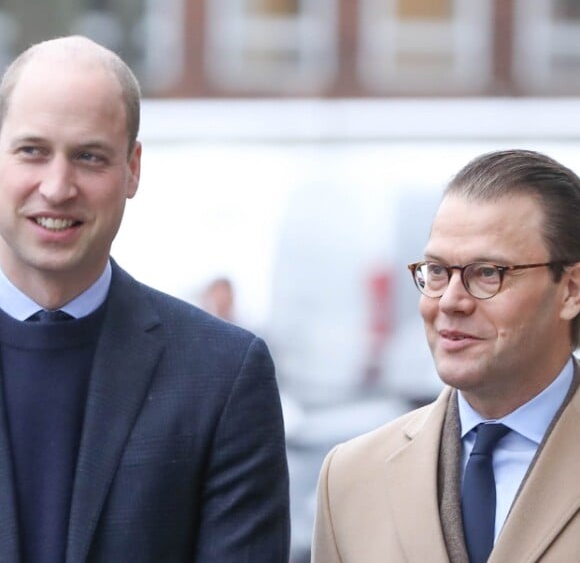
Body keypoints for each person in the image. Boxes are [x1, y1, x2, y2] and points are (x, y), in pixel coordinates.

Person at [0, 35, 290, 562]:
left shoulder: (222, 377)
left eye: (89, 157)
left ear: (132, 169)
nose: (57, 186)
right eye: (33, 151)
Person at [312, 149, 580, 562]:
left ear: (571, 290)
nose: (450, 301)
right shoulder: (350, 479)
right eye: (437, 271)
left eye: (488, 272)